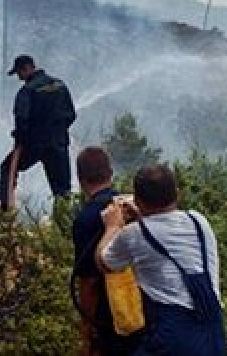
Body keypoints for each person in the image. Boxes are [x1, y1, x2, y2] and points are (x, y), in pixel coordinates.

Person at [95, 165, 227, 356]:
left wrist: (112, 226)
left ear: (138, 200)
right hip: (213, 336)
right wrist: (142, 214)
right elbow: (166, 230)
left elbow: (104, 262)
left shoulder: (134, 235)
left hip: (171, 339)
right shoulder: (199, 221)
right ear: (177, 194)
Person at [72, 147, 141, 356]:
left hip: (109, 316)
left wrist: (87, 330)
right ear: (110, 174)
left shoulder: (86, 219)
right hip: (142, 310)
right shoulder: (132, 208)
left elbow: (89, 281)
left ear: (80, 178)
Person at [0, 55, 76, 211]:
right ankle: (65, 226)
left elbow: (21, 121)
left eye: (19, 73)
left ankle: (5, 211)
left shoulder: (27, 91)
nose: (19, 78)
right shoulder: (60, 85)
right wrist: (57, 131)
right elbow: (71, 115)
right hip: (59, 143)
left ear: (27, 68)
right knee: (62, 191)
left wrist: (21, 139)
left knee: (7, 168)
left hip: (34, 145)